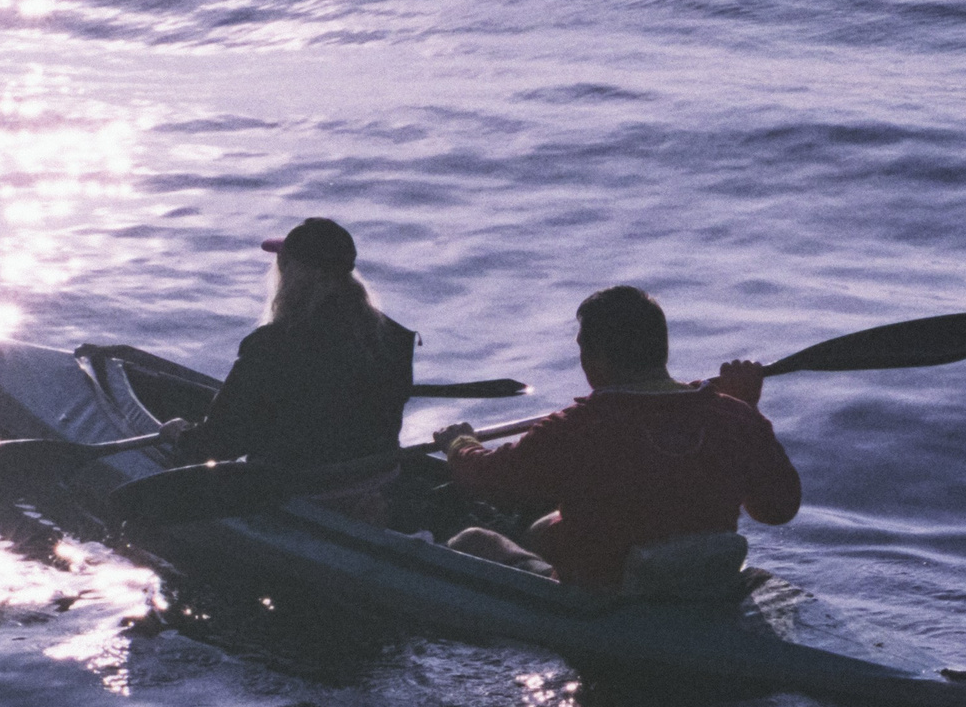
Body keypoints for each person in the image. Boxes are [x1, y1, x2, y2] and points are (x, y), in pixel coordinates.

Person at [434, 285, 800, 590]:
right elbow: (776, 511)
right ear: (661, 349)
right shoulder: (735, 417)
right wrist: (747, 407)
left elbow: (488, 480)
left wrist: (459, 444)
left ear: (596, 358)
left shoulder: (576, 428)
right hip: (702, 584)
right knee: (544, 526)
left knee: (473, 540)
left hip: (608, 595)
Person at [162, 217, 416, 469]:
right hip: (373, 480)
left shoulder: (270, 345)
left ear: (288, 269)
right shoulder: (392, 337)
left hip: (301, 489)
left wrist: (180, 434)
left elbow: (219, 443)